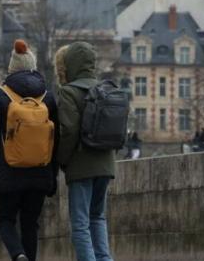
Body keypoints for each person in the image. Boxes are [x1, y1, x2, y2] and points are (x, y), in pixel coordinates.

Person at [0, 39, 59, 261]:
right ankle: (27, 257)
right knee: (30, 224)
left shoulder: (1, 96)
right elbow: (55, 139)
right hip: (40, 172)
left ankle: (18, 254)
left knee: (5, 219)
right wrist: (52, 176)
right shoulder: (48, 96)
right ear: (33, 66)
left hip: (10, 171)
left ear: (12, 67)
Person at [55, 42, 115, 261]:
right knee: (98, 218)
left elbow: (69, 130)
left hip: (81, 167)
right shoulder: (104, 89)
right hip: (106, 165)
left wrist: (62, 159)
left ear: (71, 64)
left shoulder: (69, 92)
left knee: (80, 225)